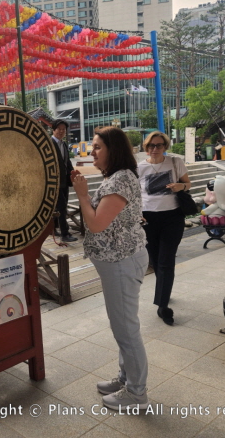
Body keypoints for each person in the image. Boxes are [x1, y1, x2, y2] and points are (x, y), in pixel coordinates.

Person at [71, 126, 149, 412]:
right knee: (122, 326)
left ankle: (137, 394)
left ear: (112, 150)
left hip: (121, 262)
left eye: (97, 147)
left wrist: (82, 195)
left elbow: (96, 224)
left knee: (126, 330)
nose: (92, 151)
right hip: (118, 261)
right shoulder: (118, 177)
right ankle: (126, 378)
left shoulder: (120, 180)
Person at [138, 131, 191, 326]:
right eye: (151, 145)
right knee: (155, 261)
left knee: (166, 262)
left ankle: (162, 305)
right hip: (148, 219)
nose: (155, 149)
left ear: (165, 147)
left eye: (159, 145)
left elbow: (188, 184)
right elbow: (134, 194)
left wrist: (180, 186)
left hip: (172, 217)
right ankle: (165, 291)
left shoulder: (175, 162)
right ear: (146, 147)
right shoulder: (139, 167)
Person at [51, 119, 77, 243]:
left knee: (61, 205)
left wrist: (72, 174)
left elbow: (67, 162)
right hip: (54, 182)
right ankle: (65, 234)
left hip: (64, 181)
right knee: (61, 207)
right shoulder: (49, 143)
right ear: (53, 130)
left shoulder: (64, 144)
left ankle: (53, 228)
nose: (61, 131)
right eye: (59, 129)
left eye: (63, 129)